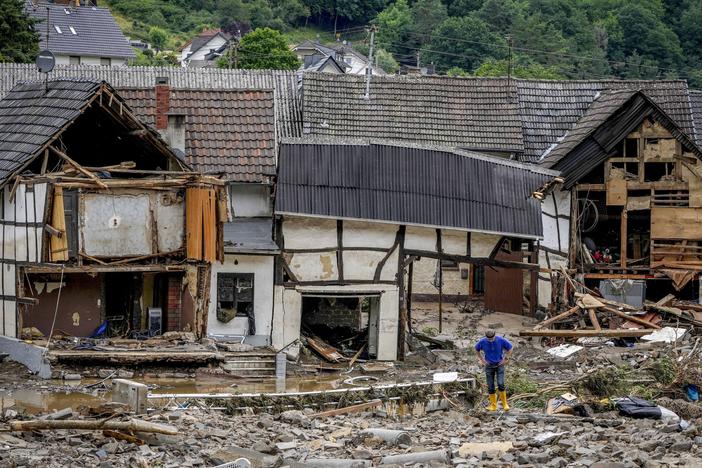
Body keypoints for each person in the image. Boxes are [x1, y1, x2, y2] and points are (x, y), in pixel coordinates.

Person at [475, 329, 513, 411]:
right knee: (490, 386)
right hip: (488, 365)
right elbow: (476, 349)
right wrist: (481, 359)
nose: (490, 340)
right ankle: (493, 405)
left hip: (499, 365)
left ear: (495, 335)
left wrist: (506, 358)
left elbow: (510, 348)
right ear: (486, 336)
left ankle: (505, 404)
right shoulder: (482, 341)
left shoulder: (501, 340)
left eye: (492, 338)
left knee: (501, 384)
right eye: (489, 339)